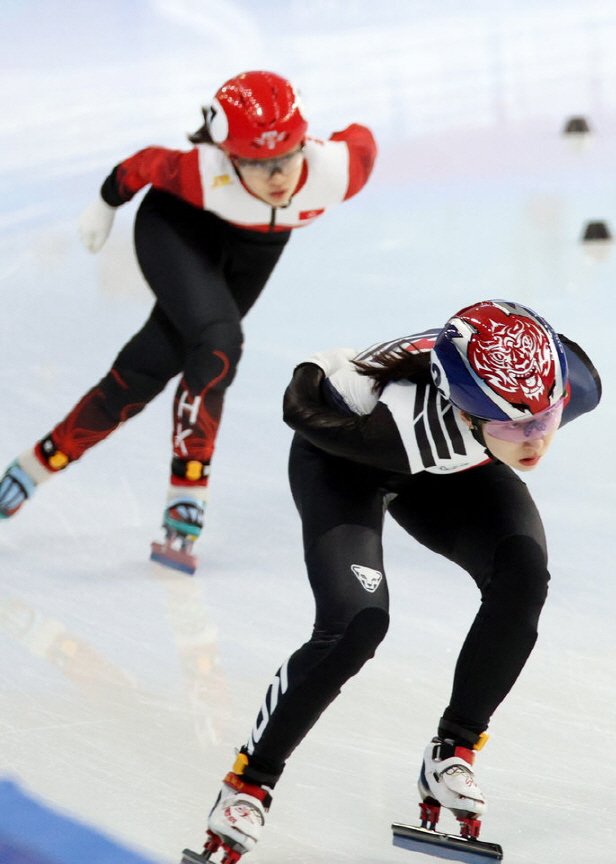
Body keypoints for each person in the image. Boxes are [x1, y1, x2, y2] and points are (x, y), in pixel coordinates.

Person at [190, 299, 601, 864]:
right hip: (345, 460)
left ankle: (452, 754)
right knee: (356, 623)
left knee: (522, 578)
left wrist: (519, 419)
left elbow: (535, 386)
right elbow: (298, 411)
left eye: (546, 419)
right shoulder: (410, 427)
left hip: (452, 461)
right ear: (467, 412)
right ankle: (248, 785)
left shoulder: (570, 385)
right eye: (516, 425)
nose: (536, 439)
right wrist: (318, 367)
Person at [0, 70, 377, 571]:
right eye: (257, 164)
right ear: (228, 155)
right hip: (176, 228)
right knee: (219, 344)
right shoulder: (202, 173)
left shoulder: (339, 169)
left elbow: (363, 137)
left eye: (286, 156)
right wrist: (104, 206)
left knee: (144, 371)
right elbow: (138, 167)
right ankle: (187, 497)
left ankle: (26, 472)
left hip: (254, 249)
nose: (278, 177)